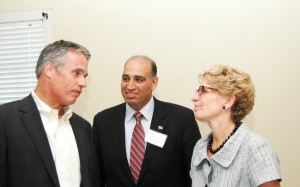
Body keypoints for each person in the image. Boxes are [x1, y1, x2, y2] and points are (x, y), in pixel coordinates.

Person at [0, 40, 99, 187]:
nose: (83, 83)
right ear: (49, 69)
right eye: (76, 73)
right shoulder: (5, 119)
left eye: (84, 76)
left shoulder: (84, 128)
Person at [93, 55, 201, 187]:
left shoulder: (181, 119)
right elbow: (96, 177)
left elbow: (196, 177)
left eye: (138, 79)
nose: (130, 86)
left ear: (154, 83)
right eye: (125, 79)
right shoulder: (103, 121)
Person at [190, 64, 282, 187]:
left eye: (204, 91)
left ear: (228, 101)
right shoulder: (200, 147)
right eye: (197, 91)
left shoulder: (255, 147)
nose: (194, 98)